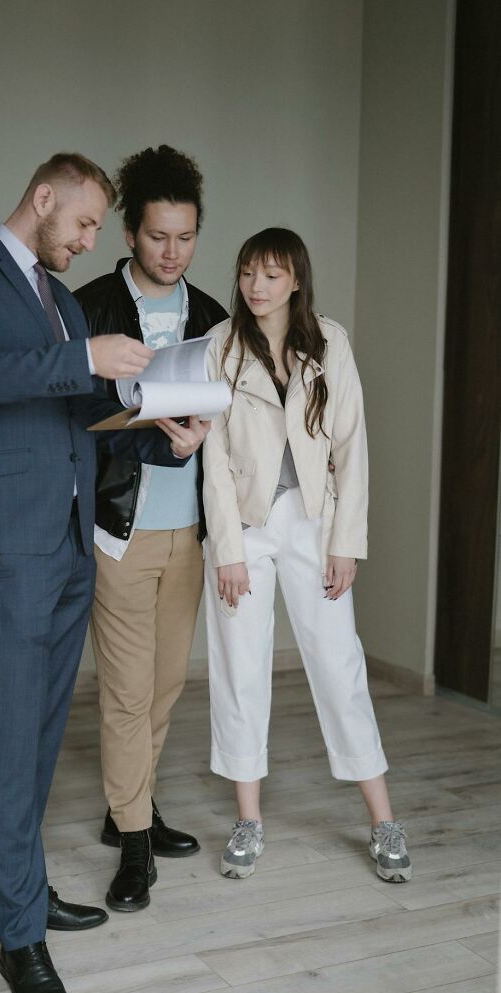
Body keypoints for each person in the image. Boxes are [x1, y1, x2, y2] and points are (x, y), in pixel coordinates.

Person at [0, 153, 207, 993]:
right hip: (6, 538)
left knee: (43, 728)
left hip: (67, 537)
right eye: (83, 224)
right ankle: (19, 935)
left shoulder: (59, 298)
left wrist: (164, 434)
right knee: (15, 731)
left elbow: (78, 409)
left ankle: (14, 888)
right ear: (43, 198)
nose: (88, 242)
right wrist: (85, 352)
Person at [202, 227, 412, 885]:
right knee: (241, 666)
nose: (255, 286)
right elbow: (210, 456)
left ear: (296, 278)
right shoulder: (221, 346)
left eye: (270, 274)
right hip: (245, 523)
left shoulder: (330, 342)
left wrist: (346, 543)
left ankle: (382, 821)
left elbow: (352, 448)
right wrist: (227, 549)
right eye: (246, 273)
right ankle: (248, 819)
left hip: (313, 524)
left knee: (339, 664)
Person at [75, 146, 227, 911]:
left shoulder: (213, 319)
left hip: (190, 532)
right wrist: (150, 431)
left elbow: (235, 422)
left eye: (186, 237)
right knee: (127, 693)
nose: (173, 252)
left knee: (166, 685)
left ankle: (127, 808)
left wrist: (207, 436)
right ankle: (134, 845)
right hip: (120, 529)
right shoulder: (91, 306)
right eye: (159, 236)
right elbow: (70, 419)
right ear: (130, 232)